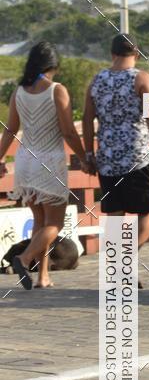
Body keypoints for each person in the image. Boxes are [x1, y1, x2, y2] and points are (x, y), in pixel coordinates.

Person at [0, 41, 88, 290]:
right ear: (54, 65)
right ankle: (24, 259)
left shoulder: (19, 91)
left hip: (25, 161)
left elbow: (10, 129)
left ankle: (43, 276)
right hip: (49, 162)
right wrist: (83, 157)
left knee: (40, 222)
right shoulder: (57, 90)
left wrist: (0, 158)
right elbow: (69, 131)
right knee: (55, 224)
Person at [82, 34, 149, 281]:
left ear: (112, 54)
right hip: (136, 155)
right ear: (137, 54)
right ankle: (126, 263)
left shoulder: (96, 81)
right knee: (147, 211)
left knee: (115, 215)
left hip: (107, 158)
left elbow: (87, 119)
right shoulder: (142, 79)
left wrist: (89, 153)